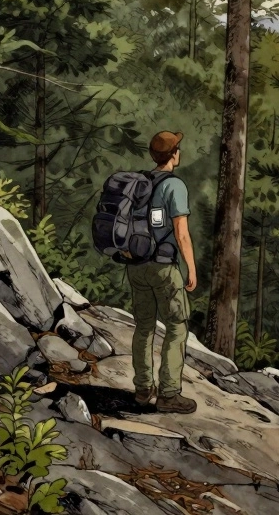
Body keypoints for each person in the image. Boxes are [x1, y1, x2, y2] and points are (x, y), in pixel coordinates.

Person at [127, 130, 198, 414]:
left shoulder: (139, 183)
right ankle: (169, 394)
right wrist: (191, 267)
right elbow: (181, 233)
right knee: (177, 327)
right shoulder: (174, 186)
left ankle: (143, 389)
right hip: (164, 267)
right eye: (178, 148)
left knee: (143, 327)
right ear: (173, 154)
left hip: (136, 266)